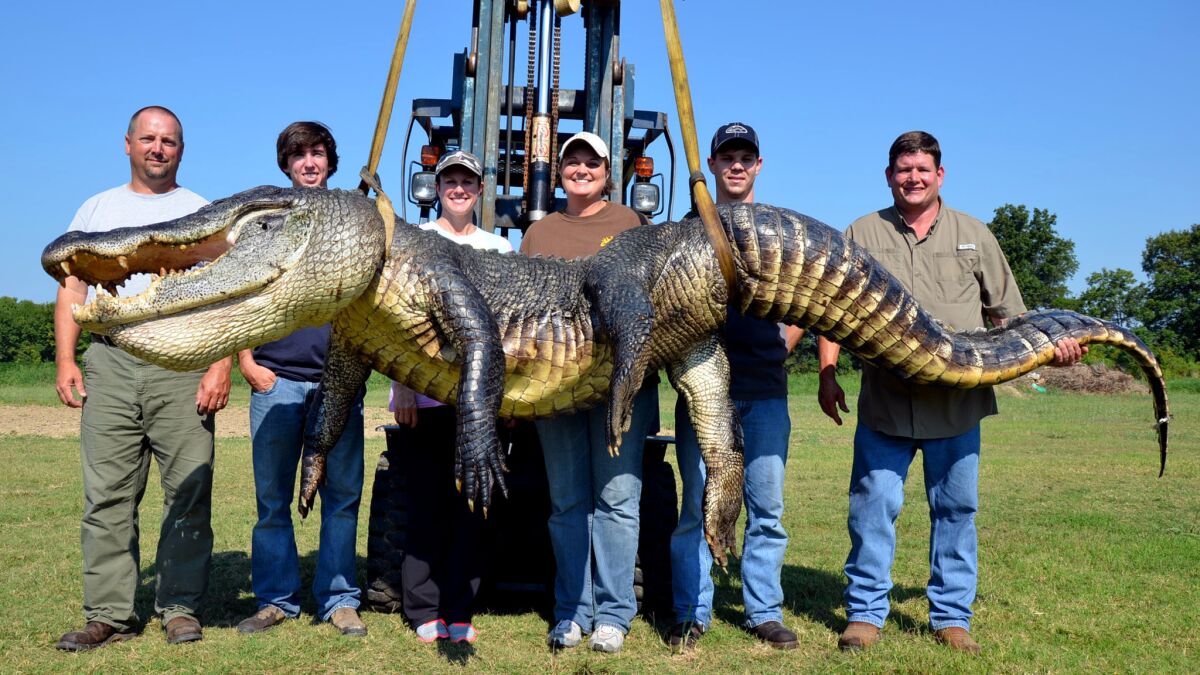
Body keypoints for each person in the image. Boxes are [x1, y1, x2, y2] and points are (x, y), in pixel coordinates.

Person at [817, 131, 1084, 654]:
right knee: (872, 509)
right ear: (889, 175)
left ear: (940, 175)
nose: (912, 177)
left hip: (958, 405)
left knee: (956, 512)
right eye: (902, 169)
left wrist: (1055, 346)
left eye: (922, 169)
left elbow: (1010, 316)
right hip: (885, 401)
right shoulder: (861, 232)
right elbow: (831, 309)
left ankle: (951, 617)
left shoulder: (974, 234)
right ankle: (866, 614)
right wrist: (827, 373)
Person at [53, 106, 232, 650]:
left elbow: (230, 293)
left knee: (188, 490)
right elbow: (72, 289)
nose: (159, 148)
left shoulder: (202, 212)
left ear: (182, 149)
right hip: (110, 361)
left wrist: (220, 363)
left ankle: (179, 608)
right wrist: (66, 359)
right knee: (106, 494)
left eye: (170, 141)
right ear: (127, 144)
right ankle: (108, 614)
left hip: (182, 360)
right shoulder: (97, 208)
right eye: (149, 139)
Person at [668, 122, 805, 650]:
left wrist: (782, 344)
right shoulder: (690, 228)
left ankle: (764, 611)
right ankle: (691, 611)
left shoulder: (777, 230)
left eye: (746, 156)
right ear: (715, 163)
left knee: (765, 508)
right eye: (728, 157)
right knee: (697, 504)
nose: (737, 165)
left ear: (758, 165)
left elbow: (807, 301)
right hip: (704, 394)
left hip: (765, 390)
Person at [520, 131, 656, 654]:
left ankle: (615, 615)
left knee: (618, 499)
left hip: (620, 388)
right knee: (567, 502)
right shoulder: (539, 232)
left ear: (607, 171)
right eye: (572, 162)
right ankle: (572, 613)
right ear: (559, 173)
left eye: (591, 162)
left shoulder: (632, 224)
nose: (581, 169)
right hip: (557, 388)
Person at [234, 121, 370, 638]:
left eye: (317, 154)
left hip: (339, 383)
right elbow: (241, 295)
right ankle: (275, 600)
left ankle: (338, 599)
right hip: (277, 382)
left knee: (342, 495)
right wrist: (247, 362)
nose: (309, 162)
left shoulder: (352, 219)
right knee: (272, 500)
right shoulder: (266, 221)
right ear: (286, 165)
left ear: (330, 162)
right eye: (299, 155)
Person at [388, 150, 513, 645]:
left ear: (481, 190)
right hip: (428, 397)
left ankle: (460, 609)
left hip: (479, 405)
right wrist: (402, 390)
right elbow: (402, 322)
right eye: (450, 181)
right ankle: (423, 608)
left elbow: (507, 329)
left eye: (468, 181)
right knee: (426, 504)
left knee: (471, 508)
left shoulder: (499, 248)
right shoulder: (419, 242)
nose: (458, 189)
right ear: (436, 188)